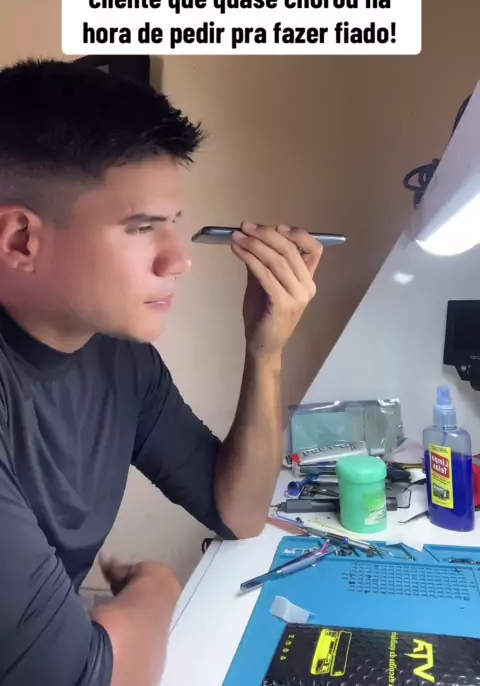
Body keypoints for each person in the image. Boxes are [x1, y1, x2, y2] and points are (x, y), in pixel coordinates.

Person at [0, 58, 322, 686]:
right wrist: (156, 587)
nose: (179, 260)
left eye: (173, 225)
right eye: (142, 227)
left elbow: (238, 512)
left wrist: (265, 352)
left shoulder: (119, 357)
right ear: (20, 240)